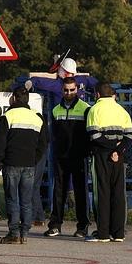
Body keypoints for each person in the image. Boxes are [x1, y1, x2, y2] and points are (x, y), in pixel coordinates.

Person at [0, 87, 47, 244]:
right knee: (26, 200)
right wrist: (34, 159)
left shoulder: (8, 116)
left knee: (12, 199)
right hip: (29, 164)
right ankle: (24, 233)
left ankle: (14, 233)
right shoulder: (37, 118)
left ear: (14, 99)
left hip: (11, 163)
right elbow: (44, 143)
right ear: (28, 100)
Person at [85, 83, 132, 242]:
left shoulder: (94, 110)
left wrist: (111, 149)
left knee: (102, 193)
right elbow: (129, 136)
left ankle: (103, 233)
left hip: (102, 155)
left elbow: (94, 135)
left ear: (97, 95)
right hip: (119, 157)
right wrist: (117, 151)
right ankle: (118, 233)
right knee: (118, 193)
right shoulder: (121, 110)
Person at [45, 77, 91, 238]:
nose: (69, 93)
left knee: (80, 192)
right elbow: (55, 134)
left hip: (79, 156)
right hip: (60, 156)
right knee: (59, 191)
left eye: (72, 90)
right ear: (62, 90)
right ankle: (55, 224)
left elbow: (89, 133)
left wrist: (86, 151)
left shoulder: (85, 108)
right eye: (66, 90)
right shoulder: (56, 109)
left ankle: (83, 226)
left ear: (77, 89)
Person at [24, 57, 98, 105]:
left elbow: (41, 82)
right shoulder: (82, 80)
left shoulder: (57, 85)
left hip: (61, 121)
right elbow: (96, 83)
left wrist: (31, 81)